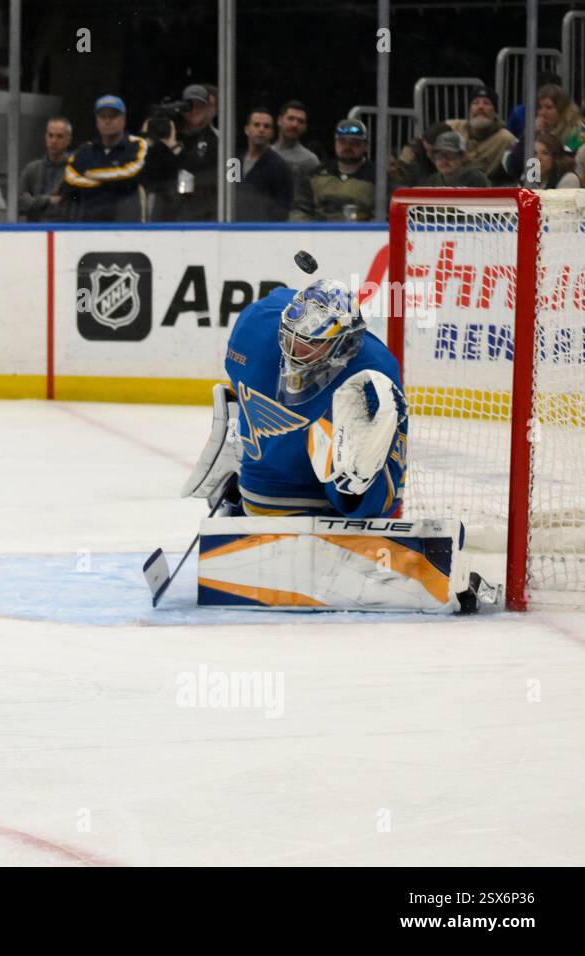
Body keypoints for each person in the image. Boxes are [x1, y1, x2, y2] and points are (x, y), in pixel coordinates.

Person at [179, 276, 495, 613]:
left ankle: (334, 501)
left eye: (310, 345)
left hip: (330, 501)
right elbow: (277, 301)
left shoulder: (375, 371)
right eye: (291, 338)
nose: (295, 352)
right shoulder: (256, 326)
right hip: (267, 481)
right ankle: (246, 505)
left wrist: (355, 485)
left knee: (358, 484)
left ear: (344, 344)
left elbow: (387, 485)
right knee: (264, 495)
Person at [62, 94, 177, 222]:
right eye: (103, 116)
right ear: (97, 121)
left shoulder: (138, 145)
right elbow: (70, 180)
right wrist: (114, 182)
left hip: (129, 226)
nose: (108, 121)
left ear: (123, 120)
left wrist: (90, 174)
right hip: (90, 227)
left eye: (113, 116)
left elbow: (132, 173)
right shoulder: (85, 150)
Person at [289, 118, 374, 222]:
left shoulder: (378, 178)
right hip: (320, 235)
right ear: (335, 143)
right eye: (342, 141)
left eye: (354, 142)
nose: (347, 147)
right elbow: (300, 210)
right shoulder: (316, 175)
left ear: (365, 146)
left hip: (363, 235)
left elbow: (386, 216)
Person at [446, 86, 516, 183]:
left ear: (495, 112)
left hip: (487, 190)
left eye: (486, 103)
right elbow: (424, 139)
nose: (480, 107)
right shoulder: (454, 126)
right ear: (469, 110)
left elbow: (525, 163)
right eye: (475, 103)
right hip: (451, 185)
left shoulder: (506, 139)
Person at [234, 106, 292, 221]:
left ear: (271, 133)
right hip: (232, 228)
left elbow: (283, 209)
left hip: (263, 232)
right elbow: (229, 193)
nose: (261, 129)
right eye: (256, 125)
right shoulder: (234, 162)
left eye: (266, 126)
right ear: (247, 129)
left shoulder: (279, 167)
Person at [171, 83, 219, 221]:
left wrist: (175, 149)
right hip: (172, 213)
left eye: (200, 106)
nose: (194, 110)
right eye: (189, 106)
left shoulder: (220, 142)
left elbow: (234, 179)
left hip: (206, 215)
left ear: (207, 108)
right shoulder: (172, 136)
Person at [18, 116, 75, 222]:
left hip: (65, 231)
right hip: (35, 230)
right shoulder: (32, 169)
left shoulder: (75, 170)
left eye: (59, 136)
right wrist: (47, 201)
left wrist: (35, 202)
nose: (54, 141)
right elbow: (20, 199)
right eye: (50, 135)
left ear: (68, 140)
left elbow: (73, 204)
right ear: (45, 137)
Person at [422, 130, 490, 188]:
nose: (444, 161)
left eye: (449, 155)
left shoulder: (477, 179)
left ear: (463, 157)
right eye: (439, 156)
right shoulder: (432, 181)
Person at [272, 100, 320, 178]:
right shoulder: (263, 155)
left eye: (300, 121)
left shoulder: (310, 161)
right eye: (291, 119)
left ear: (305, 127)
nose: (295, 125)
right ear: (279, 120)